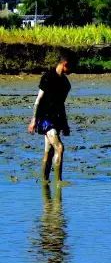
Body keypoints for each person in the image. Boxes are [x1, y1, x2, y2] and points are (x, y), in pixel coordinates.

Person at [27, 52, 75, 183]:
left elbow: (61, 105)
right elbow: (38, 100)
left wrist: (65, 125)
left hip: (56, 118)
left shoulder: (66, 84)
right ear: (65, 64)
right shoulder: (47, 77)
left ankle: (44, 182)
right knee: (59, 147)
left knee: (49, 152)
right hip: (44, 118)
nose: (73, 70)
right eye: (72, 66)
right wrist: (33, 120)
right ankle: (58, 181)